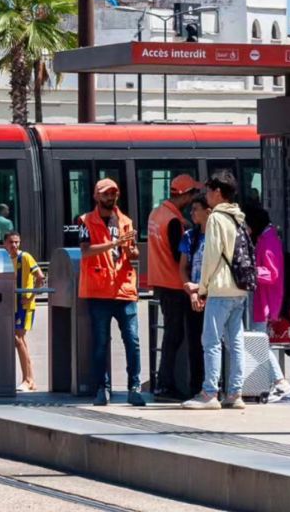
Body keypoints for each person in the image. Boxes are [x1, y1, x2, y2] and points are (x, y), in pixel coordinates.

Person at [183, 170, 250, 410]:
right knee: (236, 341)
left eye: (209, 191)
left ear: (218, 192)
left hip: (220, 288)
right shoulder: (238, 217)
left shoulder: (216, 218)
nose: (207, 195)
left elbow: (211, 256)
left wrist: (201, 287)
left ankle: (209, 392)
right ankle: (235, 393)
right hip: (239, 288)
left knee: (210, 341)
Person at [78, 177, 145, 406]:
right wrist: (114, 244)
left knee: (133, 340)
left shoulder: (125, 221)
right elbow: (85, 252)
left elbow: (132, 253)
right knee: (100, 342)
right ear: (97, 196)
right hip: (98, 291)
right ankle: (101, 388)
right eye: (106, 193)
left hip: (124, 290)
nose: (110, 197)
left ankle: (134, 387)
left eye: (113, 193)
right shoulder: (85, 221)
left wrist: (132, 251)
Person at [147, 173, 203, 400]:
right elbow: (178, 257)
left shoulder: (157, 213)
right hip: (175, 285)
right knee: (175, 336)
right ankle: (165, 384)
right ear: (185, 195)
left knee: (172, 335)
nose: (193, 199)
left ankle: (163, 383)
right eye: (192, 194)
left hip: (160, 282)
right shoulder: (174, 222)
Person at [245, 206, 290, 401]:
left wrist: (250, 271)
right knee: (261, 341)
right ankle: (277, 381)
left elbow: (271, 273)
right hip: (264, 297)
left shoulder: (269, 240)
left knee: (260, 342)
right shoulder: (268, 237)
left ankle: (280, 381)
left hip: (264, 298)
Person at [5, 231, 45, 392]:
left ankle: (28, 379)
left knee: (17, 338)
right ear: (5, 244)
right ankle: (29, 380)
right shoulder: (7, 259)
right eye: (11, 242)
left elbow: (41, 278)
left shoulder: (26, 257)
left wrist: (30, 297)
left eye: (17, 242)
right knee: (20, 341)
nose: (14, 245)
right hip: (12, 305)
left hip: (24, 305)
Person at [179, 194, 210, 394]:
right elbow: (183, 267)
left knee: (214, 344)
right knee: (195, 344)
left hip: (214, 296)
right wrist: (189, 289)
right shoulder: (190, 236)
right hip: (194, 297)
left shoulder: (218, 236)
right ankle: (196, 387)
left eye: (195, 209)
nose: (191, 213)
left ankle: (215, 386)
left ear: (208, 211)